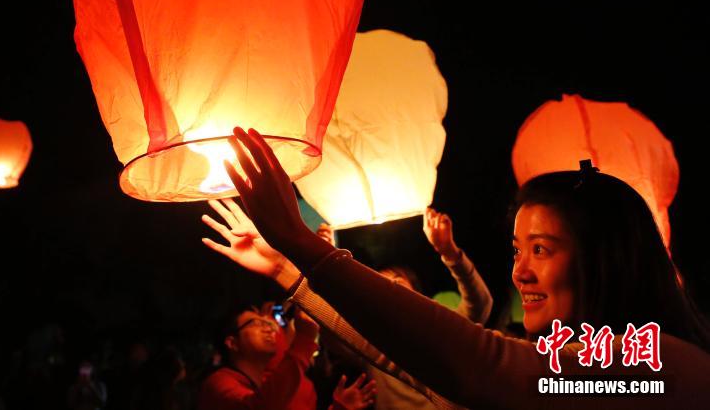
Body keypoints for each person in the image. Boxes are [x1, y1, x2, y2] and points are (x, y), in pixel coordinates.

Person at [204, 127, 710, 409]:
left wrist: (303, 246)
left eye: (542, 249)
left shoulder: (655, 365)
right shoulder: (565, 361)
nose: (520, 273)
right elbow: (406, 354)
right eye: (516, 251)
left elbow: (476, 362)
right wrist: (290, 274)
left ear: (608, 259)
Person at [315, 210, 493, 410]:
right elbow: (331, 331)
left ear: (416, 293)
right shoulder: (371, 343)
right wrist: (323, 260)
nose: (389, 289)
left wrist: (450, 252)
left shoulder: (439, 331)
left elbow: (480, 305)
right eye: (380, 285)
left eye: (397, 282)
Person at [197, 306, 375, 410]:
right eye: (255, 323)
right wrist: (304, 339)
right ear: (232, 342)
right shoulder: (218, 383)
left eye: (268, 323)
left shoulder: (266, 382)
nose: (269, 328)